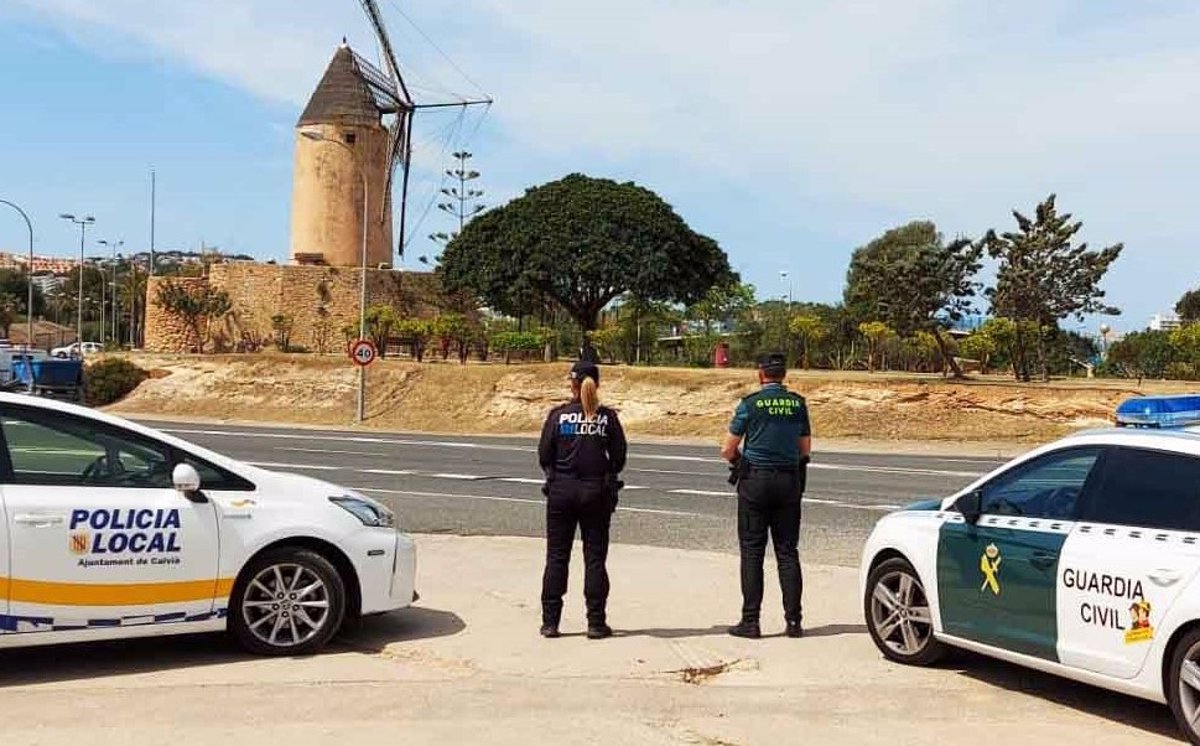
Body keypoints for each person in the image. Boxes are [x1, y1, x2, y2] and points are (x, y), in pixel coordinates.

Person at [720, 352, 812, 639]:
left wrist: (740, 460)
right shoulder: (798, 404)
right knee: (787, 552)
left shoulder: (750, 404)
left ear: (761, 374)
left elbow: (727, 448)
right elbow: (805, 449)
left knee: (752, 552)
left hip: (755, 481)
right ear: (783, 374)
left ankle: (751, 621)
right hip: (788, 480)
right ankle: (794, 622)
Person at [537, 359, 627, 640]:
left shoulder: (558, 415)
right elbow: (619, 458)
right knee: (595, 559)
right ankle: (596, 622)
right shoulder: (607, 417)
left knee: (556, 557)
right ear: (597, 385)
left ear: (573, 384)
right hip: (595, 493)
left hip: (561, 492)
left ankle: (551, 622)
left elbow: (544, 456)